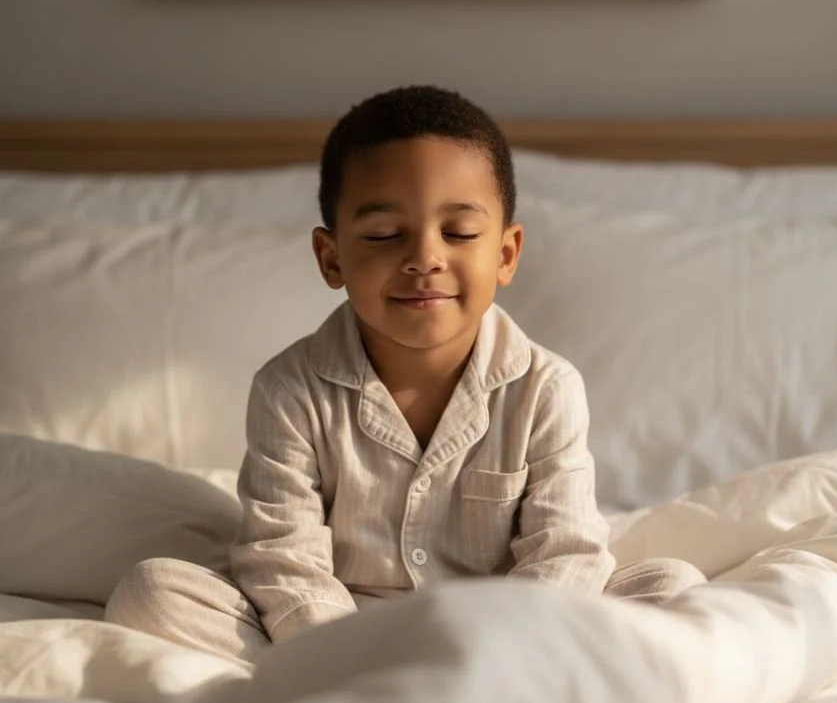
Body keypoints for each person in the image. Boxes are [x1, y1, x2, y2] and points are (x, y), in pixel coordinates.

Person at [106, 86, 701, 662]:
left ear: (506, 254)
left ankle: (417, 693)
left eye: (460, 233)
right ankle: (363, 690)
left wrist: (501, 652)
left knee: (676, 589)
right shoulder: (289, 389)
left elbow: (564, 551)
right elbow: (283, 560)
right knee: (152, 592)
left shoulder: (545, 387)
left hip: (507, 634)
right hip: (341, 635)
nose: (424, 257)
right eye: (385, 235)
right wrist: (353, 656)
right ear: (331, 257)